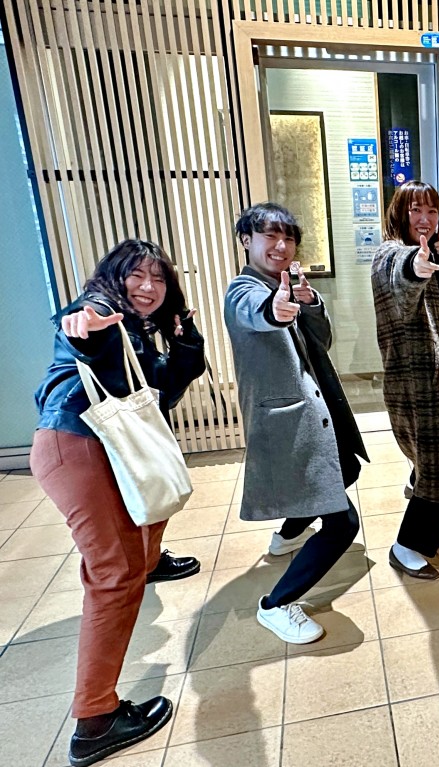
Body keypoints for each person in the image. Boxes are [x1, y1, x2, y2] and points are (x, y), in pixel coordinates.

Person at [31, 239, 206, 766]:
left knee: (149, 514)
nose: (149, 286)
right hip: (77, 444)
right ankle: (95, 720)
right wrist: (84, 325)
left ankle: (148, 562)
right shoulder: (103, 311)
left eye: (159, 278)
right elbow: (82, 328)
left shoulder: (143, 330)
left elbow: (165, 386)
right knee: (113, 576)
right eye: (137, 276)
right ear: (115, 277)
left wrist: (185, 337)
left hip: (101, 447)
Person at [225, 202, 367, 644]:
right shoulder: (245, 290)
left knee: (346, 468)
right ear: (246, 240)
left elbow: (320, 341)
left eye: (288, 237)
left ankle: (287, 535)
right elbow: (259, 312)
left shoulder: (284, 286)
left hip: (313, 414)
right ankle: (276, 604)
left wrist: (310, 303)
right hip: (286, 423)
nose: (281, 245)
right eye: (269, 235)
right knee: (343, 525)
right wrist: (278, 307)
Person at [371, 181, 439, 580]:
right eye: (416, 210)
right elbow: (401, 276)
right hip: (416, 379)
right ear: (400, 214)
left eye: (431, 210)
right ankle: (407, 546)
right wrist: (417, 266)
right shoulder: (389, 253)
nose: (425, 219)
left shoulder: (432, 250)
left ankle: (423, 494)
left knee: (435, 456)